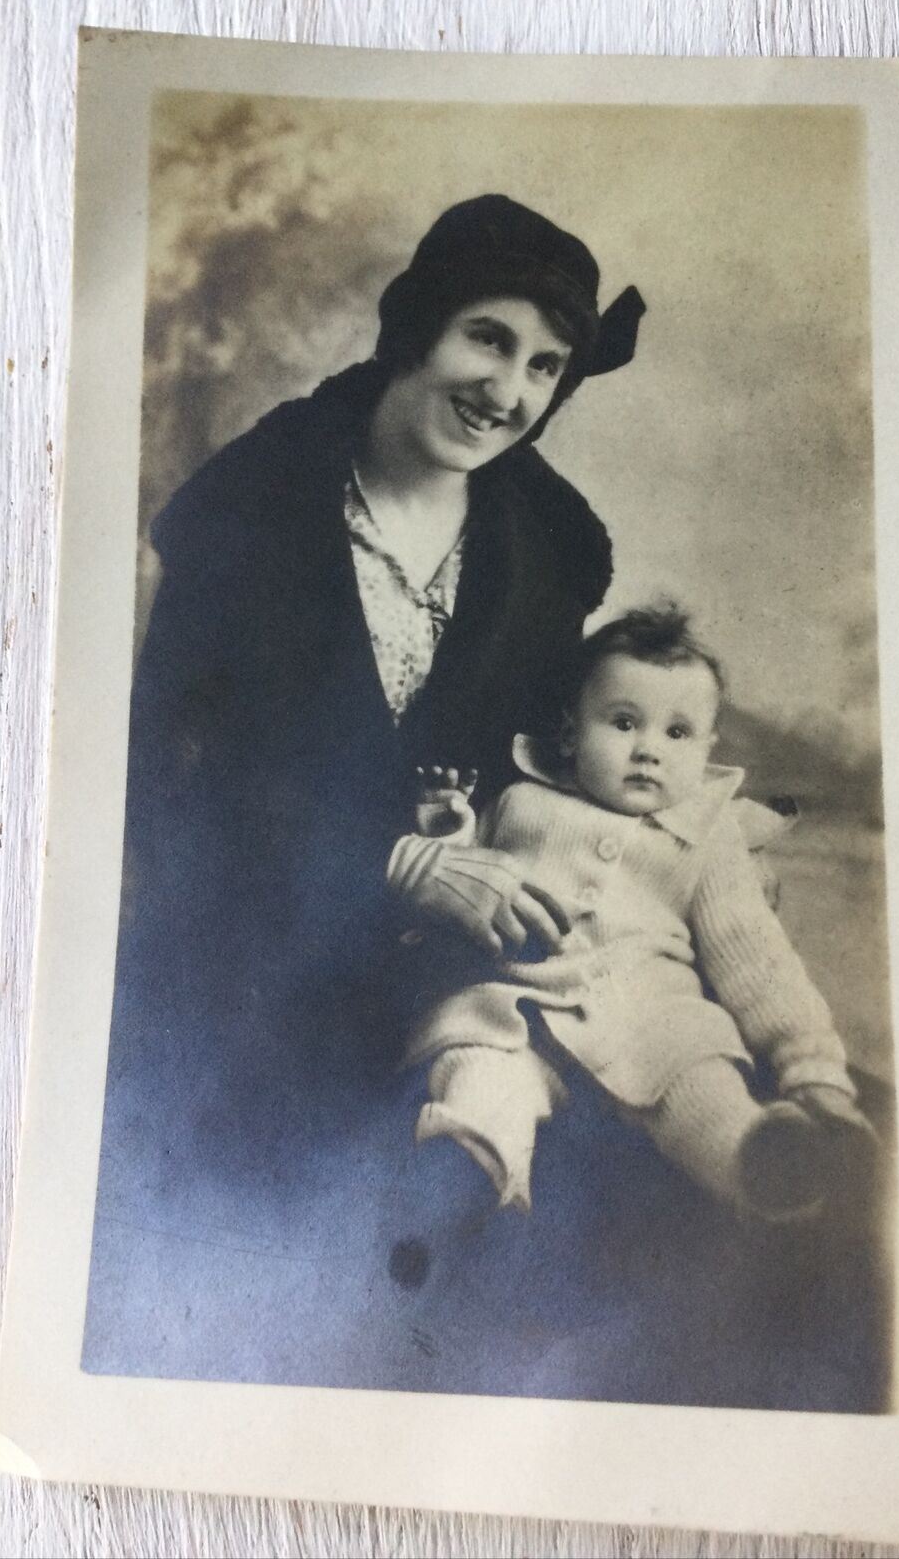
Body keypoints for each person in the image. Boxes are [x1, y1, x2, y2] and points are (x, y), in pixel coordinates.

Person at [84, 196, 646, 1376]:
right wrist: (396, 863)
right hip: (244, 951)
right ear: (417, 329)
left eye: (546, 366)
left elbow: (537, 761)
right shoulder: (257, 509)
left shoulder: (544, 547)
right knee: (245, 1248)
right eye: (486, 339)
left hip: (441, 962)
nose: (509, 390)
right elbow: (171, 783)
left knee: (598, 1190)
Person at [397, 606, 878, 1220]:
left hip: (651, 1017)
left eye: (677, 734)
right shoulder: (520, 800)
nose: (648, 750)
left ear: (707, 751)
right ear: (571, 733)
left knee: (702, 1082)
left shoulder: (708, 839)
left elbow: (757, 962)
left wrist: (813, 1069)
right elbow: (463, 893)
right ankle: (475, 1159)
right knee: (481, 1067)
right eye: (624, 723)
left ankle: (758, 1160)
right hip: (515, 1004)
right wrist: (449, 834)